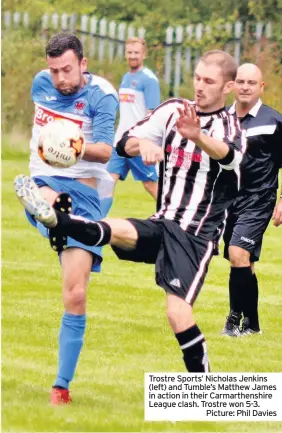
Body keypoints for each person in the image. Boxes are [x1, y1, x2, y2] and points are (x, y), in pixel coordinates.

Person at [15, 50, 246, 373]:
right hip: (162, 222)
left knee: (177, 315)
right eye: (196, 78)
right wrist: (144, 145)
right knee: (108, 229)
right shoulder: (173, 110)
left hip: (195, 236)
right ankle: (55, 219)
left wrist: (198, 137)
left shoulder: (231, 127)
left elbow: (231, 158)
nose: (199, 86)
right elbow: (125, 142)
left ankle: (203, 386)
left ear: (228, 87)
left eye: (209, 81)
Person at [14, 32, 119, 404]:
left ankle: (61, 386)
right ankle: (41, 200)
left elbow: (106, 150)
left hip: (85, 195)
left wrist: (72, 147)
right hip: (45, 179)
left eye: (68, 70)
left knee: (75, 295)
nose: (60, 79)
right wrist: (51, 153)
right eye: (54, 70)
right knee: (47, 195)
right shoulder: (40, 84)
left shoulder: (101, 96)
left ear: (83, 64)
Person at [221, 63, 282, 337]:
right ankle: (253, 324)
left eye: (251, 83)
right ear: (233, 85)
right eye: (241, 81)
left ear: (261, 87)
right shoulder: (221, 119)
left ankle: (233, 320)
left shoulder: (274, 122)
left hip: (260, 199)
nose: (245, 87)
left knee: (237, 253)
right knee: (245, 262)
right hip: (228, 200)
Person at [103, 37, 161, 216]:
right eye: (129, 52)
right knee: (107, 181)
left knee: (151, 185)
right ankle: (96, 222)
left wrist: (145, 141)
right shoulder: (126, 78)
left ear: (144, 54)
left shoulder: (149, 80)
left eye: (136, 52)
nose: (132, 56)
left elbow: (153, 114)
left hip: (138, 142)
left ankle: (174, 218)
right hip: (120, 141)